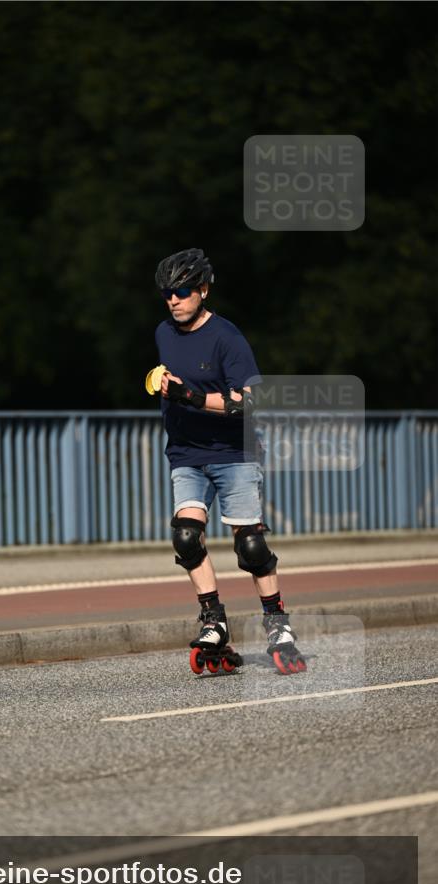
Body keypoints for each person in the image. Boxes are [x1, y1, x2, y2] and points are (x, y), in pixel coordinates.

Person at [153, 247, 305, 674]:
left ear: (202, 290)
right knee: (186, 537)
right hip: (185, 454)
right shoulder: (163, 333)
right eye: (167, 293)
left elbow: (250, 401)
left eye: (182, 291)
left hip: (234, 454)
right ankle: (213, 620)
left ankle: (277, 624)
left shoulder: (228, 338)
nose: (173, 300)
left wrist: (193, 397)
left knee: (251, 545)